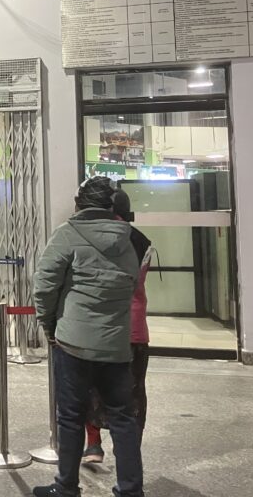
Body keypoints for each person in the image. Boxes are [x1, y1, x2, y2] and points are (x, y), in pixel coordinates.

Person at [32, 176, 143, 497]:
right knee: (123, 418)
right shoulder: (130, 239)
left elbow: (44, 286)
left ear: (79, 203)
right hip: (116, 345)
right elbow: (131, 284)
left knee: (70, 416)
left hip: (73, 343)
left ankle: (66, 486)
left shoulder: (67, 234)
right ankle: (131, 490)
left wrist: (49, 325)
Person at [84, 189, 154, 464]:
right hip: (134, 330)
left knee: (91, 388)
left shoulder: (97, 237)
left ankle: (93, 445)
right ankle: (129, 456)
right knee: (132, 395)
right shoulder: (142, 241)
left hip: (101, 328)